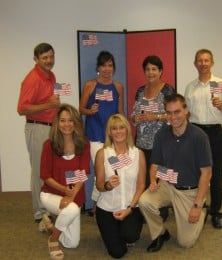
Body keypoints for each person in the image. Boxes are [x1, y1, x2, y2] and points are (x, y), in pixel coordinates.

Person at [139, 94, 212, 253]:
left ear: (186, 111)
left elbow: (206, 173)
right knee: (144, 201)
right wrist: (153, 181)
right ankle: (160, 233)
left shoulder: (199, 137)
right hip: (167, 184)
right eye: (169, 113)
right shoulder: (161, 135)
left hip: (189, 191)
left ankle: (202, 209)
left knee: (185, 242)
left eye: (177, 112)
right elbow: (155, 165)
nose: (173, 117)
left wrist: (197, 205)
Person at [184, 49, 222, 229]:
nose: (203, 63)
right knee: (197, 174)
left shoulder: (221, 84)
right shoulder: (190, 87)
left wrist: (221, 106)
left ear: (212, 63)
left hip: (215, 133)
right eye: (199, 60)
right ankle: (200, 207)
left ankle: (216, 211)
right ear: (195, 63)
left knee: (216, 174)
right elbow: (186, 113)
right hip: (196, 133)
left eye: (206, 60)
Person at [39, 104, 90, 260]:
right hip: (50, 194)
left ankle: (49, 226)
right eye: (63, 120)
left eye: (70, 120)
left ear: (76, 122)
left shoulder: (84, 144)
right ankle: (53, 240)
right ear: (57, 122)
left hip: (74, 196)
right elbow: (45, 175)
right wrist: (64, 191)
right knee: (72, 209)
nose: (67, 124)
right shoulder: (49, 145)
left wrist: (71, 196)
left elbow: (83, 174)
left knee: (71, 243)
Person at [17, 42, 60, 222]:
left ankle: (47, 207)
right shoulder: (32, 78)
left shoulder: (51, 76)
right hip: (37, 127)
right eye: (44, 58)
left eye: (51, 56)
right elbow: (22, 108)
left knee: (49, 169)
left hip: (50, 128)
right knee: (38, 171)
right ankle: (39, 212)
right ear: (36, 59)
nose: (49, 60)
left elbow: (52, 103)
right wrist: (48, 105)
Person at [95, 114, 146, 258]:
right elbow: (99, 185)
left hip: (130, 207)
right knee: (118, 253)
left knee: (131, 236)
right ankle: (111, 230)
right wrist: (108, 185)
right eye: (114, 129)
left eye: (121, 127)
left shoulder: (138, 154)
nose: (118, 132)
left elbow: (141, 185)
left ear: (127, 130)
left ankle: (122, 231)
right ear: (109, 132)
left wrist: (129, 209)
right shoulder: (102, 153)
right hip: (107, 208)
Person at [79, 50, 124, 214]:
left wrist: (123, 133)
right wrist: (90, 111)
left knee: (113, 170)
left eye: (110, 65)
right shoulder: (90, 85)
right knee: (102, 171)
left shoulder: (118, 87)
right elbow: (81, 109)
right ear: (98, 67)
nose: (107, 69)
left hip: (113, 136)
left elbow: (120, 113)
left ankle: (99, 204)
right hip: (95, 135)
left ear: (114, 68)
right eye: (103, 65)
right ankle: (98, 206)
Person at [131, 55, 175, 220]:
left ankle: (161, 211)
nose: (150, 72)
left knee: (159, 178)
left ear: (160, 71)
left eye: (154, 69)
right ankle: (146, 210)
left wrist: (155, 116)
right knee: (143, 177)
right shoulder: (140, 91)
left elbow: (173, 115)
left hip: (161, 143)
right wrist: (136, 118)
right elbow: (134, 114)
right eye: (147, 69)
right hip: (141, 142)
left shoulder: (167, 90)